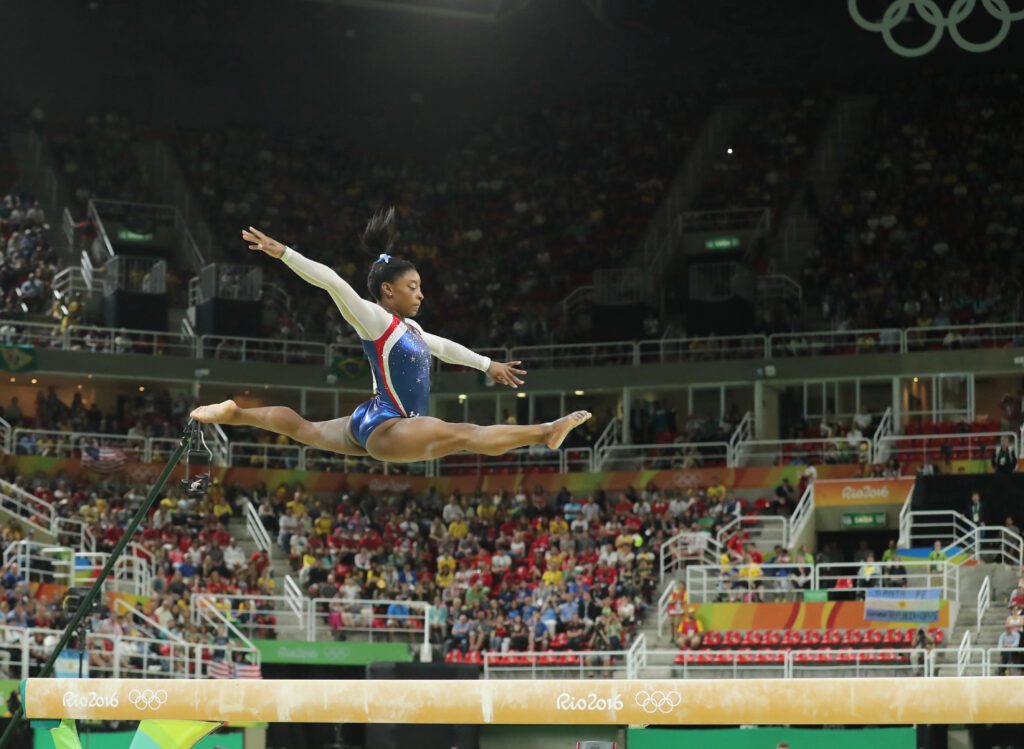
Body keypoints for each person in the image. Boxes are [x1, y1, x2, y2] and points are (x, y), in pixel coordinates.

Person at [191, 217, 591, 465]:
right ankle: (545, 431)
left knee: (306, 429)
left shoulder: (411, 330)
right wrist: (286, 255)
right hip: (389, 425)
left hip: (371, 418)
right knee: (465, 435)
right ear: (388, 289)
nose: (420, 294)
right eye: (412, 287)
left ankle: (236, 413)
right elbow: (333, 283)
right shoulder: (376, 320)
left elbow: (445, 347)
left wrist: (488, 365)